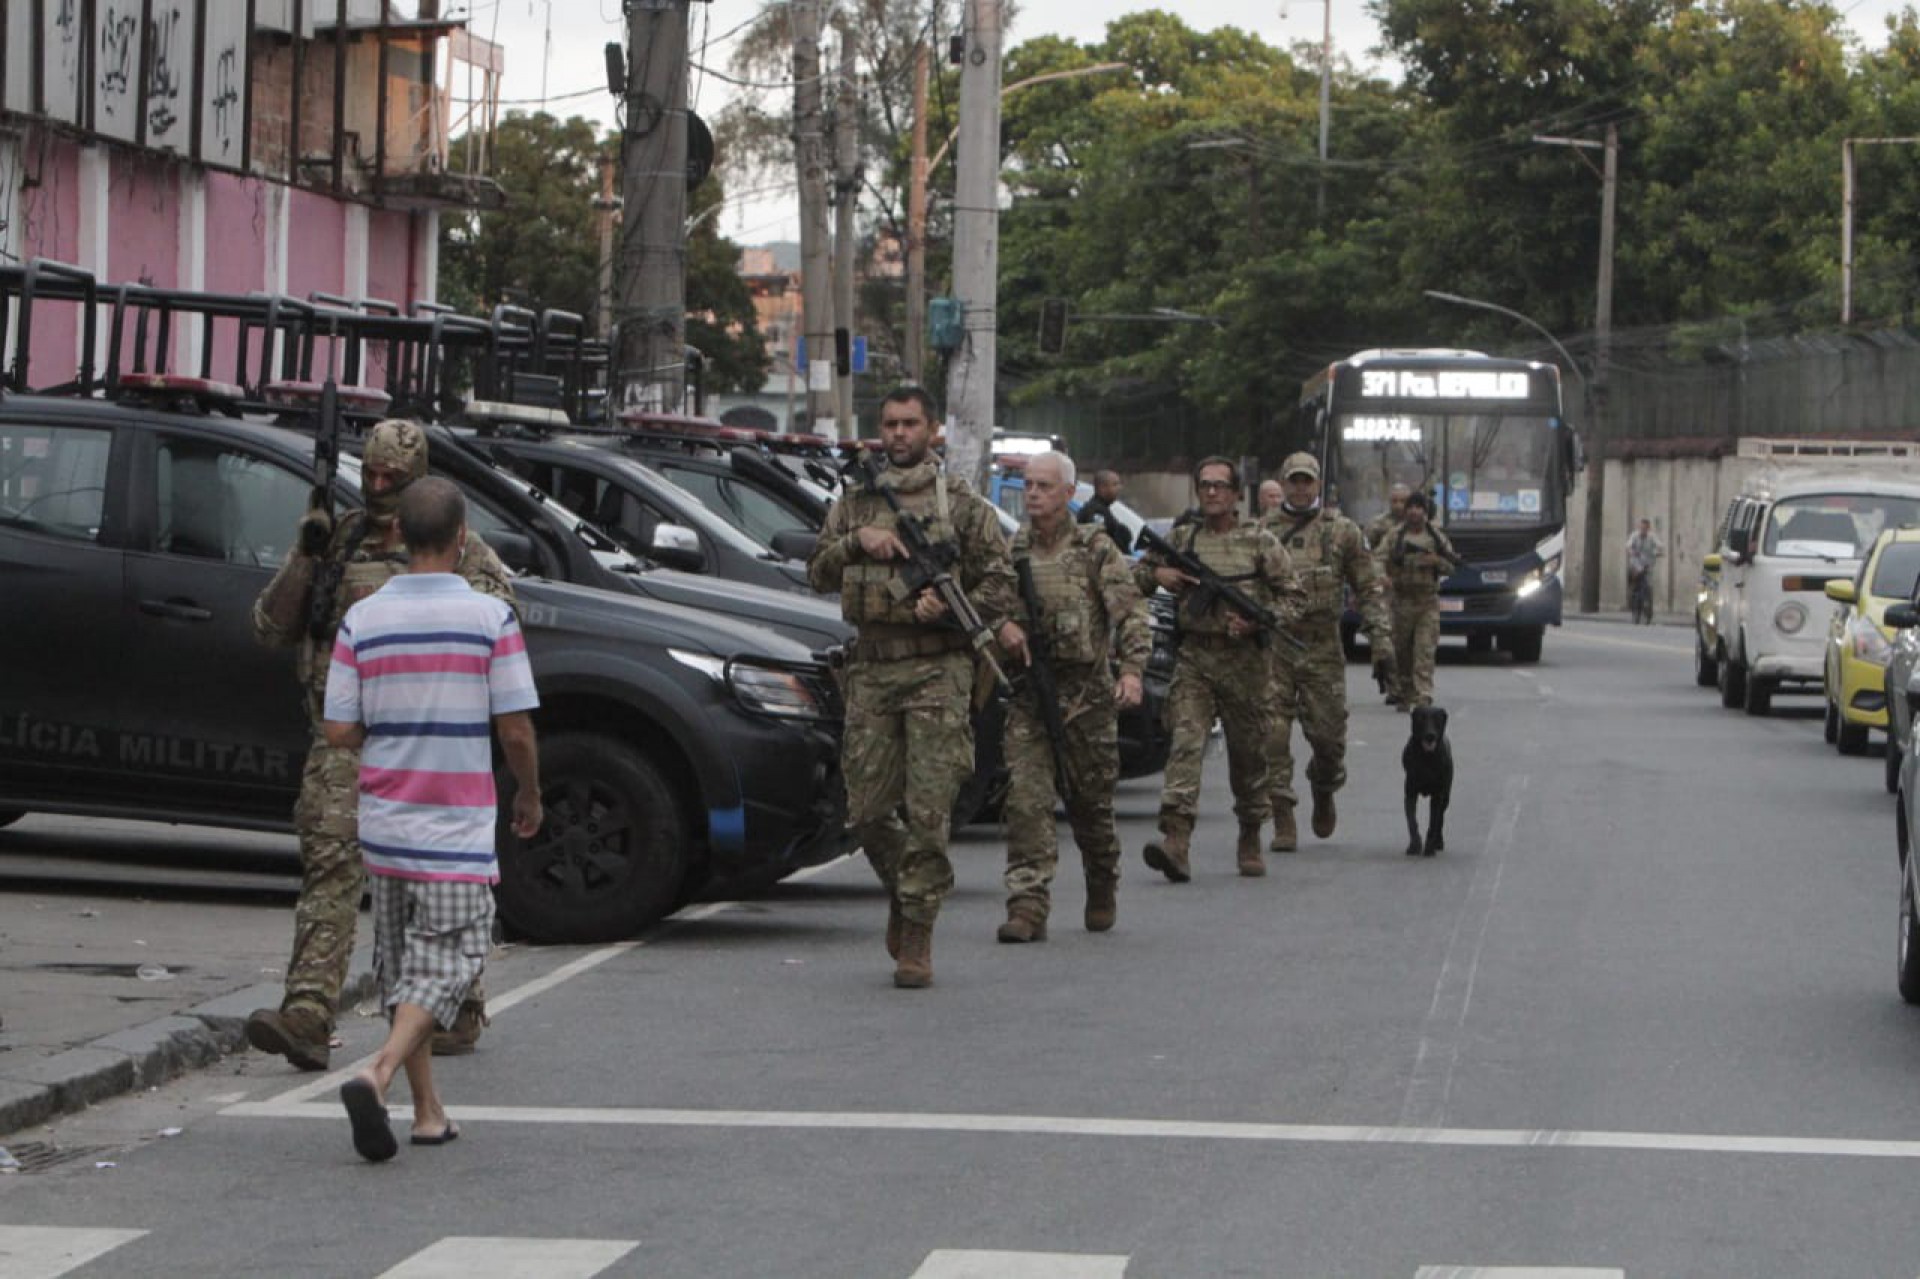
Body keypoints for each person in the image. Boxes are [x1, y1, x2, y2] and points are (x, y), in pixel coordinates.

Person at [247, 420, 514, 1071]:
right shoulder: (337, 540)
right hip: (341, 738)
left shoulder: (458, 545)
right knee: (331, 864)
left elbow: (496, 623)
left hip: (423, 738)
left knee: (433, 878)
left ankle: (456, 1003)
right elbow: (270, 627)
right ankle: (308, 1012)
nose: (377, 485)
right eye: (369, 473)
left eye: (391, 477)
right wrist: (305, 554)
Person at [322, 478, 542, 1161]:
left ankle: (427, 1112)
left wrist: (393, 730)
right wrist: (530, 794)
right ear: (463, 536)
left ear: (396, 535)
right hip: (453, 827)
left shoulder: (362, 619)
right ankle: (379, 1070)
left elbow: (338, 729)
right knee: (451, 958)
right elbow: (515, 730)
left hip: (385, 823)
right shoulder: (490, 619)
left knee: (402, 971)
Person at [807, 385, 1021, 987]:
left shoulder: (962, 505)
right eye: (890, 424)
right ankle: (909, 890)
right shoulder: (855, 502)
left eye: (910, 424)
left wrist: (947, 607)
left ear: (932, 431)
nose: (899, 434)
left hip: (938, 670)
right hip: (872, 668)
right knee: (868, 810)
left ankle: (918, 932)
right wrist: (857, 542)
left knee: (929, 811)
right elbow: (816, 572)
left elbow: (1001, 583)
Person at [998, 450, 1151, 940]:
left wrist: (1132, 672)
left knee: (1091, 808)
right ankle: (1027, 904)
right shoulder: (1012, 551)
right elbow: (986, 603)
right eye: (1029, 485)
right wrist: (1001, 626)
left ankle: (1102, 877)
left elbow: (1132, 613)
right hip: (1031, 698)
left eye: (1044, 486)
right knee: (1026, 800)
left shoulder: (1094, 549)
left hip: (1087, 699)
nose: (1034, 494)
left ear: (1068, 493)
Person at [1137, 457, 1305, 881]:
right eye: (1205, 485)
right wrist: (1160, 574)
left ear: (1236, 494)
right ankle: (1176, 840)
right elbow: (1136, 575)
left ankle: (1250, 833)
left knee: (1248, 757)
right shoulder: (1183, 538)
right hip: (1195, 657)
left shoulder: (1260, 542)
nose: (1211, 492)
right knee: (1185, 743)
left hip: (1246, 664)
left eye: (1220, 486)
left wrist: (1258, 621)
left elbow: (1295, 599)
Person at [1259, 453, 1395, 851]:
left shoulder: (1342, 531)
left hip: (1322, 648)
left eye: (1308, 481)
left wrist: (1382, 644)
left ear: (1318, 484)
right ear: (1283, 484)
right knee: (1272, 735)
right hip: (1275, 648)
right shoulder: (1261, 532)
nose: (1301, 489)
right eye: (1294, 481)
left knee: (1329, 739)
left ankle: (1324, 786)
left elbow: (1368, 588)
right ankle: (1282, 815)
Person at [1384, 492, 1458, 709]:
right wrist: (1382, 577)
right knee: (1402, 651)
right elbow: (1378, 558)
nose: (1414, 512)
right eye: (1411, 507)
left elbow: (1452, 566)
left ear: (1426, 512)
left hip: (1427, 602)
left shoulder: (1436, 538)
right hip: (1402, 602)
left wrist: (1436, 562)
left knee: (1424, 650)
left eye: (1419, 508)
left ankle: (1423, 694)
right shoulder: (1395, 536)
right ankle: (1405, 692)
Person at [1077, 468, 1134, 553]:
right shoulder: (1096, 511)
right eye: (1115, 484)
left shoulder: (1102, 509)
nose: (1119, 488)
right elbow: (1099, 544)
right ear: (1102, 488)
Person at [1626, 518, 1664, 612]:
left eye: (1645, 528)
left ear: (1648, 528)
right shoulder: (1634, 536)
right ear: (1639, 528)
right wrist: (1631, 552)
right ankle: (1633, 593)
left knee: (1648, 583)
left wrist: (1659, 552)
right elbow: (1628, 546)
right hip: (1636, 561)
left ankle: (1647, 601)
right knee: (1635, 575)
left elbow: (1660, 545)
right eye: (1642, 528)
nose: (1643, 530)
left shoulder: (1652, 536)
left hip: (1648, 563)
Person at [1365, 483, 1413, 552]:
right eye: (1394, 501)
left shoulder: (1416, 522)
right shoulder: (1377, 523)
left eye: (1403, 501)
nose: (1398, 505)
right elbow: (1365, 548)